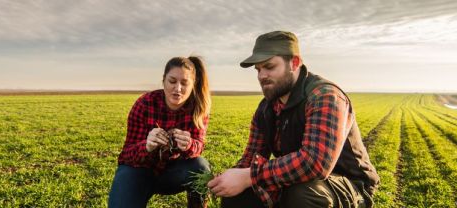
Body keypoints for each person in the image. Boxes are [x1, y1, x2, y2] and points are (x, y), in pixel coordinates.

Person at [207, 31, 380, 208]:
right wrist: (225, 180)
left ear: (294, 63)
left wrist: (249, 176)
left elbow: (315, 163)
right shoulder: (266, 108)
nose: (261, 76)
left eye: (269, 67)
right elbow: (250, 159)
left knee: (302, 194)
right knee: (237, 193)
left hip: (351, 186)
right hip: (296, 181)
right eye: (258, 69)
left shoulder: (325, 96)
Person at [109, 56, 212, 208]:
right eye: (172, 81)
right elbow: (126, 155)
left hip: (173, 173)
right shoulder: (145, 103)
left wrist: (189, 145)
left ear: (193, 84)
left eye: (184, 83)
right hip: (139, 170)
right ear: (163, 80)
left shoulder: (198, 108)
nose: (177, 89)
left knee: (201, 166)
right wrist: (146, 146)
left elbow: (199, 146)